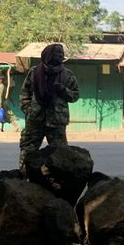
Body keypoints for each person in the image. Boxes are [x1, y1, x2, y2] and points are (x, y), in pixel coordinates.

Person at [18, 44, 79, 172]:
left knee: (60, 154)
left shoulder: (67, 75)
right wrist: (28, 111)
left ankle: (57, 183)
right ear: (47, 55)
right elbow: (25, 94)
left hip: (57, 122)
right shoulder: (34, 72)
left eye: (61, 54)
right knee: (28, 151)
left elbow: (75, 96)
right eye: (57, 53)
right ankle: (24, 178)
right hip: (35, 120)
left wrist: (63, 90)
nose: (60, 56)